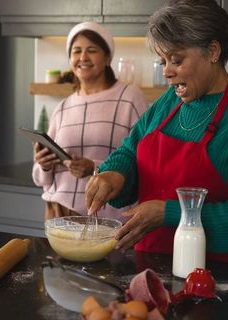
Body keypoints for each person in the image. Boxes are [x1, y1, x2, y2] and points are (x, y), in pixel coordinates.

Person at [85, 0, 228, 266]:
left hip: (226, 277)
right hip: (151, 268)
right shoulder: (169, 102)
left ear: (213, 51)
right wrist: (114, 175)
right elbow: (129, 152)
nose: (167, 72)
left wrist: (169, 213)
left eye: (177, 60)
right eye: (163, 61)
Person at [32, 22, 148, 220]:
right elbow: (39, 177)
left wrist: (95, 168)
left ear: (107, 57)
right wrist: (43, 165)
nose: (83, 58)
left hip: (107, 217)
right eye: (76, 51)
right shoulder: (63, 107)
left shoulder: (129, 97)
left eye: (92, 50)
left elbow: (145, 160)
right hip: (59, 212)